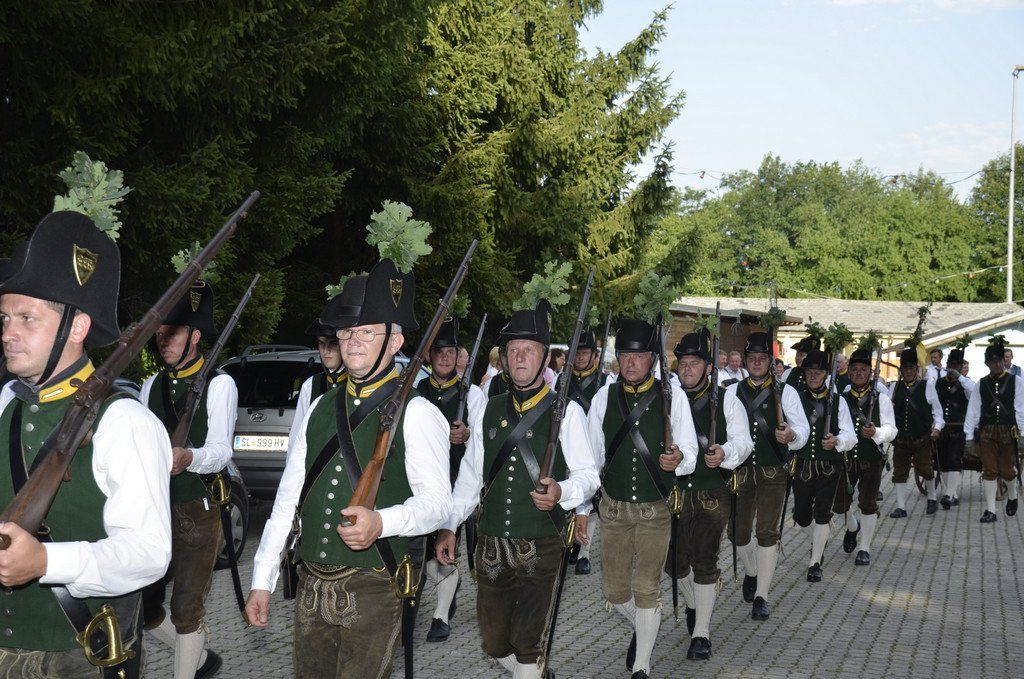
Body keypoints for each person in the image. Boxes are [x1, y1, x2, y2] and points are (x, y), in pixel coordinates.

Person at [245, 256, 452, 679]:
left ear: (395, 343)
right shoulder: (320, 406)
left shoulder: (418, 412)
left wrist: (383, 522)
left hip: (375, 581)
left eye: (366, 331)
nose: (353, 340)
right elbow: (288, 498)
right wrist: (262, 578)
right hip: (310, 581)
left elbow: (438, 504)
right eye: (346, 331)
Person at [0, 210, 172, 678]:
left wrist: (46, 561)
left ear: (76, 327)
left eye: (27, 318)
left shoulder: (126, 422)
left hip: (76, 657)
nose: (8, 333)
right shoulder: (7, 407)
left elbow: (148, 553)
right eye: (5, 317)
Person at [437, 299, 599, 679]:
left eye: (529, 350)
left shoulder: (567, 411)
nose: (520, 357)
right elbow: (470, 478)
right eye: (513, 350)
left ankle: (530, 667)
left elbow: (589, 476)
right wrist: (449, 525)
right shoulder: (488, 409)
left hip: (542, 543)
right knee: (495, 643)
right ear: (505, 359)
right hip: (491, 543)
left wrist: (561, 492)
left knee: (527, 642)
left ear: (544, 358)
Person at [586, 316, 698, 679]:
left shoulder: (672, 395)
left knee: (646, 587)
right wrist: (582, 507)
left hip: (655, 508)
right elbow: (591, 456)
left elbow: (690, 448)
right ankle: (646, 625)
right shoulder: (603, 397)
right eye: (624, 356)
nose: (630, 362)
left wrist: (678, 458)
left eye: (637, 356)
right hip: (614, 509)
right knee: (615, 592)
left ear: (651, 358)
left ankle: (642, 665)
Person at [140, 279, 238, 679]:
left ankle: (189, 665)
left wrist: (190, 457)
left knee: (185, 608)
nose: (163, 341)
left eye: (173, 333)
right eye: (160, 333)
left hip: (199, 507)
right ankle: (199, 659)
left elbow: (222, 450)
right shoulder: (151, 385)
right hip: (155, 508)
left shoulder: (220, 383)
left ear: (195, 336)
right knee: (144, 608)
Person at [669, 330, 752, 660]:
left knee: (705, 560)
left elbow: (744, 441)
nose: (687, 369)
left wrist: (725, 452)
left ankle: (701, 632)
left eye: (694, 363)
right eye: (683, 363)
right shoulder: (666, 396)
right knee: (673, 563)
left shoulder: (726, 398)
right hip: (673, 493)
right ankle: (693, 601)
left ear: (707, 367)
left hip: (712, 491)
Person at [728, 332, 809, 621]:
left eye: (762, 358)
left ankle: (762, 595)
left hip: (773, 470)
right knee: (737, 533)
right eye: (752, 358)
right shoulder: (731, 392)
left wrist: (791, 435)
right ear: (745, 361)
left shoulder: (786, 392)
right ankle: (752, 570)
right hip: (740, 471)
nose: (757, 363)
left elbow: (802, 429)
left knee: (766, 532)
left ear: (771, 362)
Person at [416, 317, 486, 643]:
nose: (445, 358)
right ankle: (445, 585)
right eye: (439, 352)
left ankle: (441, 615)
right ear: (430, 355)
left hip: (456, 484)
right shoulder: (416, 392)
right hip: (419, 483)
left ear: (458, 356)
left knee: (445, 548)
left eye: (451, 352)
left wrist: (467, 435)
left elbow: (482, 443)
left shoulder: (473, 396)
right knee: (421, 554)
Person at [790, 349, 855, 582]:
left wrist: (837, 440)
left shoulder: (838, 401)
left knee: (822, 514)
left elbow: (850, 435)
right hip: (803, 465)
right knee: (801, 516)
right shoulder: (795, 398)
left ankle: (815, 562)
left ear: (826, 374)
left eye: (817, 372)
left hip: (830, 465)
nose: (813, 376)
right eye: (809, 372)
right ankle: (819, 540)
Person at [834, 347, 897, 566]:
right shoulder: (840, 399)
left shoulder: (882, 399)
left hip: (871, 458)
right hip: (844, 459)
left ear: (870, 372)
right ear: (849, 373)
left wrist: (876, 432)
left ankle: (864, 547)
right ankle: (852, 526)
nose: (859, 373)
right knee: (839, 503)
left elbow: (892, 430)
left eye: (863, 369)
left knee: (868, 504)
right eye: (855, 369)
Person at [555, 329, 607, 575]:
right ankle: (569, 542)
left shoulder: (605, 382)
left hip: (594, 446)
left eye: (585, 352)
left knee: (590, 498)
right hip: (569, 443)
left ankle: (584, 552)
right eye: (576, 352)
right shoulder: (562, 379)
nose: (580, 357)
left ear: (594, 354)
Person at [964, 338, 1024, 523]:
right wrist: (969, 436)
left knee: (1007, 470)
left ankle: (1012, 496)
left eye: (999, 360)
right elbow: (973, 410)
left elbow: (1021, 408)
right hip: (987, 432)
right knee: (989, 470)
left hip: (1008, 432)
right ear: (987, 363)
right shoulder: (981, 384)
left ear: (1003, 361)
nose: (997, 364)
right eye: (993, 361)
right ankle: (991, 510)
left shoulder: (1016, 381)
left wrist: (1022, 433)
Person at [888, 349, 944, 516]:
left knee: (926, 469)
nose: (908, 372)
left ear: (916, 369)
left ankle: (932, 498)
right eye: (905, 368)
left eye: (911, 368)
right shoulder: (894, 387)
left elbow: (938, 412)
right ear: (901, 370)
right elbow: (887, 412)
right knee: (899, 472)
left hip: (922, 437)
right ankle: (901, 507)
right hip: (901, 439)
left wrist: (937, 428)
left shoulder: (928, 386)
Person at [291, 311, 347, 452]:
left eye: (332, 344)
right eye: (321, 344)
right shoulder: (311, 385)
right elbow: (297, 437)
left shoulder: (357, 383)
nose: (325, 350)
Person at [933, 348, 975, 509]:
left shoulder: (966, 383)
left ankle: (948, 494)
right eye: (950, 364)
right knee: (942, 462)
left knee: (954, 460)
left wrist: (960, 377)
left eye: (956, 365)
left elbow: (974, 391)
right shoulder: (939, 383)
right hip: (942, 427)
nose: (952, 367)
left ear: (960, 367)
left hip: (959, 428)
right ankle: (952, 493)